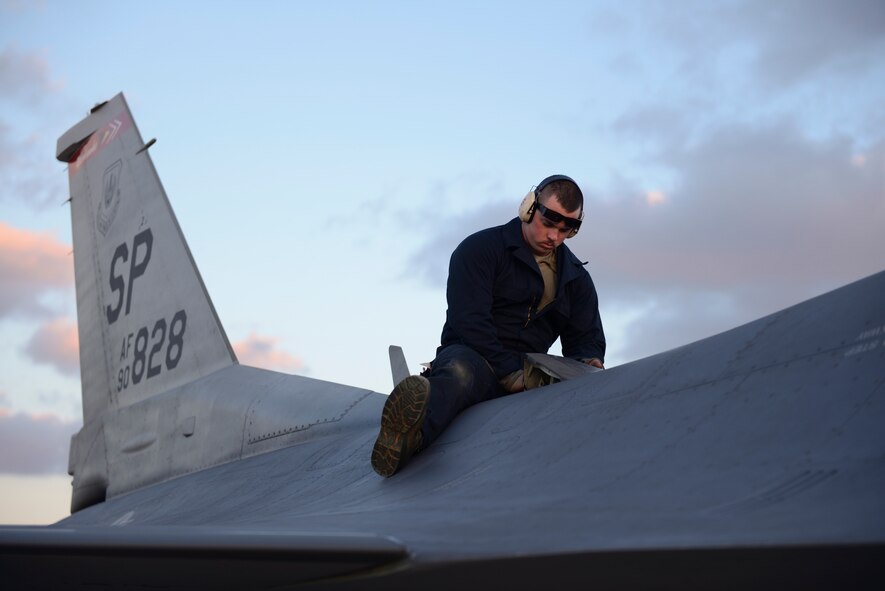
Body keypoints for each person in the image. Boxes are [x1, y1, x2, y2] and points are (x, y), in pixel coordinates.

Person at [371, 174, 605, 477]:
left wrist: (589, 363)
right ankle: (408, 436)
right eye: (549, 224)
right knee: (459, 374)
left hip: (532, 373)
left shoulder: (576, 279)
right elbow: (469, 322)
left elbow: (585, 338)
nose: (555, 237)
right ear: (529, 208)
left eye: (565, 230)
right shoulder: (479, 250)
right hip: (475, 356)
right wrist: (510, 373)